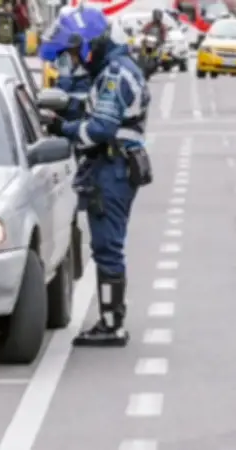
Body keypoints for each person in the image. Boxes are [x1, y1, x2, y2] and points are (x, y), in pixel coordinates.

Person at [39, 6, 152, 347]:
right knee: (107, 246)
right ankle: (111, 318)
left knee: (107, 247)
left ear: (90, 44)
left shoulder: (115, 74)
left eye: (75, 51)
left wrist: (63, 128)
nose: (74, 58)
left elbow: (101, 128)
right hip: (112, 167)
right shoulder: (110, 69)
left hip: (112, 168)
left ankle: (111, 324)